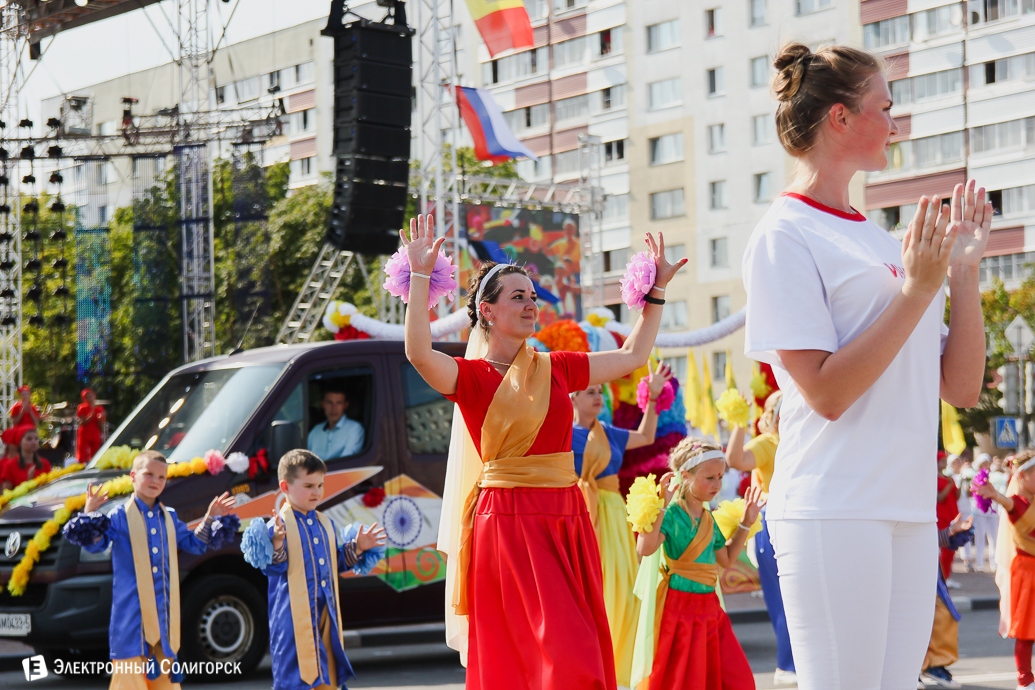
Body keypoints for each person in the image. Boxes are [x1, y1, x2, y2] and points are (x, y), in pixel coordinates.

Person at [741, 42, 989, 689]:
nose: (894, 123)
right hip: (832, 505)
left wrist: (960, 273)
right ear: (840, 118)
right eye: (884, 106)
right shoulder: (783, 234)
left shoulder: (879, 240)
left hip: (905, 507)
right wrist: (913, 290)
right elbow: (824, 391)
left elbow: (958, 387)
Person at [402, 213, 686, 689]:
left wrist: (654, 293)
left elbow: (634, 356)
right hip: (508, 523)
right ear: (487, 311)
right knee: (541, 653)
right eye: (518, 297)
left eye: (533, 297)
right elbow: (418, 353)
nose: (531, 304)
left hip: (564, 516)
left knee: (579, 649)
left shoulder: (557, 367)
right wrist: (418, 277)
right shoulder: (470, 378)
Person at [62, 451, 236, 690]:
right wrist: (90, 513)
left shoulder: (170, 517)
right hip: (131, 621)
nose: (156, 481)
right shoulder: (120, 516)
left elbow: (195, 544)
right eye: (149, 474)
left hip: (164, 623)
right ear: (133, 476)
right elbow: (95, 544)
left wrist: (209, 518)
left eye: (162, 477)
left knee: (165, 684)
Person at [570, 361, 673, 688]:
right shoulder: (558, 432)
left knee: (622, 591)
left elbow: (646, 435)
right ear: (571, 397)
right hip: (577, 514)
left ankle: (621, 669)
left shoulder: (609, 432)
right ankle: (588, 668)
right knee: (585, 593)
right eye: (590, 392)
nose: (598, 397)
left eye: (600, 392)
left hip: (613, 514)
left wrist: (653, 398)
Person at [248, 449, 386, 690]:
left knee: (327, 673)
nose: (316, 492)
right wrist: (277, 543)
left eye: (320, 485)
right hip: (293, 622)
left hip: (325, 617)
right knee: (298, 677)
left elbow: (336, 562)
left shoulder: (325, 523)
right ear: (285, 486)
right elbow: (274, 567)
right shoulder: (278, 526)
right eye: (309, 485)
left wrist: (357, 548)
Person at [634, 438, 762, 689]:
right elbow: (644, 549)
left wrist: (746, 522)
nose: (717, 484)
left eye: (721, 478)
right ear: (686, 476)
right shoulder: (671, 514)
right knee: (681, 680)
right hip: (679, 609)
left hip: (711, 610)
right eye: (710, 478)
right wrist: (660, 504)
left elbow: (725, 560)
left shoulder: (708, 519)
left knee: (736, 678)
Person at [726, 391, 795, 686]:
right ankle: (788, 664)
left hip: (797, 521)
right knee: (782, 597)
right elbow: (736, 459)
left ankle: (800, 662)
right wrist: (740, 421)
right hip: (772, 524)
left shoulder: (799, 441)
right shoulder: (769, 442)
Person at [976, 451, 1035, 690]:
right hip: (1027, 572)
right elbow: (1010, 505)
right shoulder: (1019, 503)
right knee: (1026, 632)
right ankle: (1025, 680)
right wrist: (996, 495)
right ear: (1022, 476)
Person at [921, 514, 973, 690]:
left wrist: (952, 530)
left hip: (928, 568)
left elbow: (927, 536)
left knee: (943, 616)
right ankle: (912, 668)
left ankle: (931, 664)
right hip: (907, 570)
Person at [307, 388, 364, 460]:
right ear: (322, 404)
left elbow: (347, 461)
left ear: (345, 405)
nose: (334, 408)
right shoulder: (315, 430)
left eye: (339, 403)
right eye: (329, 402)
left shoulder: (354, 428)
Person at [0, 425, 51, 490]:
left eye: (36, 439)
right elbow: (6, 495)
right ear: (20, 442)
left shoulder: (45, 463)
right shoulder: (10, 466)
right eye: (29, 439)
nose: (34, 442)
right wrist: (29, 482)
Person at [971, 453, 998, 573]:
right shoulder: (976, 477)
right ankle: (980, 563)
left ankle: (994, 562)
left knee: (994, 537)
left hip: (993, 510)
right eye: (983, 464)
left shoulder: (994, 476)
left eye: (987, 463)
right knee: (980, 536)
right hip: (981, 510)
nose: (986, 466)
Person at [937, 453, 962, 582]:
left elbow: (956, 496)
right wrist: (948, 485)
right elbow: (940, 498)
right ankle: (942, 578)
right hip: (942, 517)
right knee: (945, 548)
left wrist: (960, 483)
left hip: (952, 515)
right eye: (941, 461)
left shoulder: (949, 478)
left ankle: (947, 576)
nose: (944, 464)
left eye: (944, 461)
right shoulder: (935, 479)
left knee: (952, 548)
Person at [76, 388, 107, 464]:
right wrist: (91, 416)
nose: (90, 398)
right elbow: (82, 422)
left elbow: (101, 425)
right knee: (82, 454)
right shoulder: (82, 407)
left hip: (95, 433)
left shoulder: (99, 408)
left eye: (91, 395)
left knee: (95, 454)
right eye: (87, 396)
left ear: (94, 396)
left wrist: (100, 419)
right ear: (84, 398)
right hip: (84, 434)